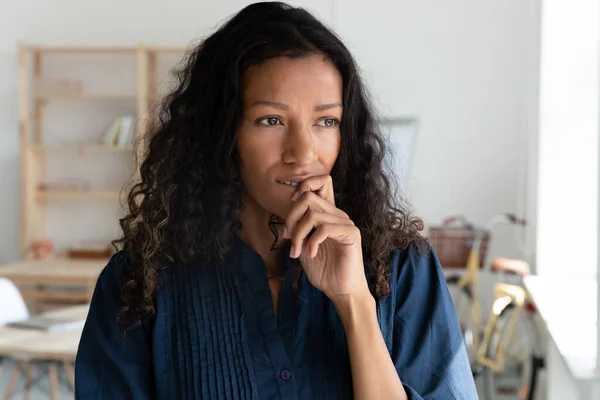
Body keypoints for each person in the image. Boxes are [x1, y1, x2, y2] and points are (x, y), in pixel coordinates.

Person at [75, 2, 477, 399]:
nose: (303, 153)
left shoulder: (405, 269)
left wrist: (354, 302)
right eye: (271, 120)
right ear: (221, 134)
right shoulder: (140, 282)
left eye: (326, 121)